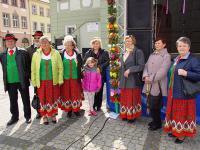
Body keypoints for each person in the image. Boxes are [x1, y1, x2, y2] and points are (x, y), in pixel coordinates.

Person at [164, 37, 200, 143]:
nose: (182, 48)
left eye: (184, 46)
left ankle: (181, 134)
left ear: (189, 47)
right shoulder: (177, 58)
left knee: (181, 114)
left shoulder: (193, 59)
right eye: (180, 46)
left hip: (184, 93)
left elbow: (199, 75)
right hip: (173, 91)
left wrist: (186, 73)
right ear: (177, 47)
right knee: (174, 113)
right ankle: (175, 130)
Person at [0, 34, 31, 126]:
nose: (10, 42)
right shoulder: (2, 55)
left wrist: (29, 77)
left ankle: (28, 116)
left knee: (25, 100)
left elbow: (28, 66)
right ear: (5, 43)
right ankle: (14, 117)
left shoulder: (23, 52)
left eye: (11, 41)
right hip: (10, 82)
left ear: (15, 42)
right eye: (8, 41)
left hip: (22, 81)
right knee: (13, 101)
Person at [31, 36, 63, 125]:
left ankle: (53, 115)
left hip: (53, 81)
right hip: (41, 81)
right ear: (40, 44)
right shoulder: (36, 54)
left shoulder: (56, 53)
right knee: (42, 99)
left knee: (53, 98)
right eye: (42, 42)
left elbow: (60, 67)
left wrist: (60, 79)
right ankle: (44, 116)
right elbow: (33, 69)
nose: (44, 44)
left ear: (49, 43)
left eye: (46, 42)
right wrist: (33, 81)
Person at [143, 38, 171, 131]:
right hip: (148, 84)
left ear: (164, 45)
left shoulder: (166, 56)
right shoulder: (152, 54)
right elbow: (146, 66)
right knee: (150, 103)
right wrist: (145, 76)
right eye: (155, 43)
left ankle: (157, 123)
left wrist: (150, 79)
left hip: (158, 84)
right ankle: (155, 120)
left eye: (159, 43)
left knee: (155, 105)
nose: (157, 45)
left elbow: (163, 71)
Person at [119, 35, 145, 123]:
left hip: (133, 80)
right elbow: (122, 67)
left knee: (131, 98)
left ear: (133, 42)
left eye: (129, 41)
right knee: (124, 98)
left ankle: (132, 116)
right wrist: (119, 79)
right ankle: (125, 114)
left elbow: (141, 66)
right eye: (126, 41)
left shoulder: (138, 52)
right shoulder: (123, 52)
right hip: (123, 80)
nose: (127, 43)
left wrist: (130, 70)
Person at [59, 36, 83, 118]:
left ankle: (76, 109)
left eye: (70, 45)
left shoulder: (77, 54)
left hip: (75, 78)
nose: (68, 46)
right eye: (66, 45)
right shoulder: (61, 54)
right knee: (66, 94)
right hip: (65, 79)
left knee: (75, 94)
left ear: (73, 46)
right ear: (64, 45)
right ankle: (69, 110)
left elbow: (81, 65)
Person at [83, 37, 109, 111]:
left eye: (97, 43)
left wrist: (100, 67)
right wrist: (84, 71)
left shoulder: (104, 52)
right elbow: (84, 63)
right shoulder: (88, 53)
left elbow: (107, 62)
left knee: (99, 90)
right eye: (94, 44)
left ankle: (98, 106)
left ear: (100, 44)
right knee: (92, 91)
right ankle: (92, 106)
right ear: (92, 45)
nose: (95, 45)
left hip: (99, 74)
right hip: (90, 76)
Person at [26, 30, 43, 119]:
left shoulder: (46, 47)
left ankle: (49, 109)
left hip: (46, 76)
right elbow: (27, 64)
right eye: (35, 38)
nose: (36, 39)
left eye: (38, 38)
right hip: (35, 77)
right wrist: (30, 77)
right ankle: (38, 111)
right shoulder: (29, 49)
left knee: (47, 93)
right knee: (37, 94)